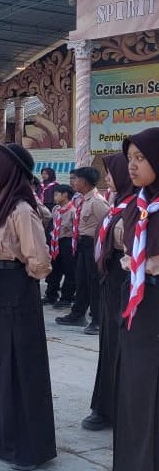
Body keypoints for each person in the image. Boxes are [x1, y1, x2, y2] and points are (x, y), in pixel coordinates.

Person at [0, 143, 55, 471]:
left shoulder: (21, 210)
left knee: (17, 365)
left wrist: (16, 276)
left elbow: (40, 263)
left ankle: (25, 446)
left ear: (9, 173)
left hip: (16, 289)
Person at [113, 127, 159, 471]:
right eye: (129, 158)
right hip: (138, 305)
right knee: (138, 385)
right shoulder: (136, 206)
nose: (132, 165)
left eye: (140, 158)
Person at [82, 154, 135, 433]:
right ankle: (105, 405)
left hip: (125, 280)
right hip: (110, 280)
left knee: (120, 345)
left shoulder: (137, 208)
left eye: (112, 173)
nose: (108, 178)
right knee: (109, 344)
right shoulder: (118, 205)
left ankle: (116, 409)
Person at [56, 166, 109, 334]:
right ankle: (78, 314)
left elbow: (108, 224)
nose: (73, 182)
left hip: (93, 244)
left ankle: (98, 320)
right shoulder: (83, 199)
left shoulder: (97, 202)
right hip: (82, 245)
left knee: (94, 283)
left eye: (76, 179)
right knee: (81, 280)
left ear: (84, 182)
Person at [44, 185, 76, 308]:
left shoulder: (73, 211)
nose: (54, 197)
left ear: (65, 195)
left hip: (67, 242)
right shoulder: (56, 209)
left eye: (57, 194)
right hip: (55, 242)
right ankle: (51, 294)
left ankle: (66, 298)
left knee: (69, 270)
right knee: (54, 269)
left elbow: (75, 230)